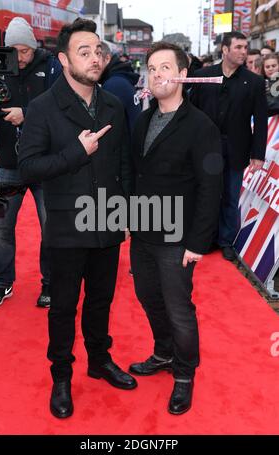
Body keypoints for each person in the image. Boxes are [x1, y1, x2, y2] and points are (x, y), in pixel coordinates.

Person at [18, 18, 137, 419]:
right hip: (67, 227)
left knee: (101, 301)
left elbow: (123, 163)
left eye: (98, 50)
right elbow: (30, 166)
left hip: (107, 224)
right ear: (65, 60)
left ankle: (100, 361)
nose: (94, 58)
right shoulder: (43, 107)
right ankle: (62, 377)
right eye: (83, 52)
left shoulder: (114, 106)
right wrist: (76, 152)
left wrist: (125, 212)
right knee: (64, 306)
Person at [128, 42, 222, 415]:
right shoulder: (143, 119)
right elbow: (136, 174)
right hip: (142, 232)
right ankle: (164, 353)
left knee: (179, 309)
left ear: (183, 74)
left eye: (164, 67)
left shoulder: (201, 127)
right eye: (151, 68)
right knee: (148, 299)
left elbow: (210, 188)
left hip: (178, 238)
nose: (156, 74)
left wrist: (197, 242)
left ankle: (184, 374)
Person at [0, 17, 61, 308]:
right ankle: (3, 283)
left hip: (44, 162)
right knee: (2, 228)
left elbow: (58, 108)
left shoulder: (52, 67)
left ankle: (50, 284)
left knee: (50, 227)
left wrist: (26, 113)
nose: (20, 57)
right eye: (14, 51)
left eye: (25, 50)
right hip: (7, 162)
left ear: (33, 46)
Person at [190, 31, 268, 261]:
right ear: (225, 49)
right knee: (205, 195)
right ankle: (206, 238)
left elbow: (261, 120)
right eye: (239, 47)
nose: (244, 52)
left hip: (236, 148)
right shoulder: (204, 76)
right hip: (205, 150)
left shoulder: (254, 82)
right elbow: (191, 111)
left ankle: (226, 241)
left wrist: (258, 154)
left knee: (231, 197)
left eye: (246, 47)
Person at [100, 42, 141, 134]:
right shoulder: (119, 78)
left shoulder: (114, 85)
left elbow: (108, 130)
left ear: (107, 58)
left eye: (97, 56)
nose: (93, 62)